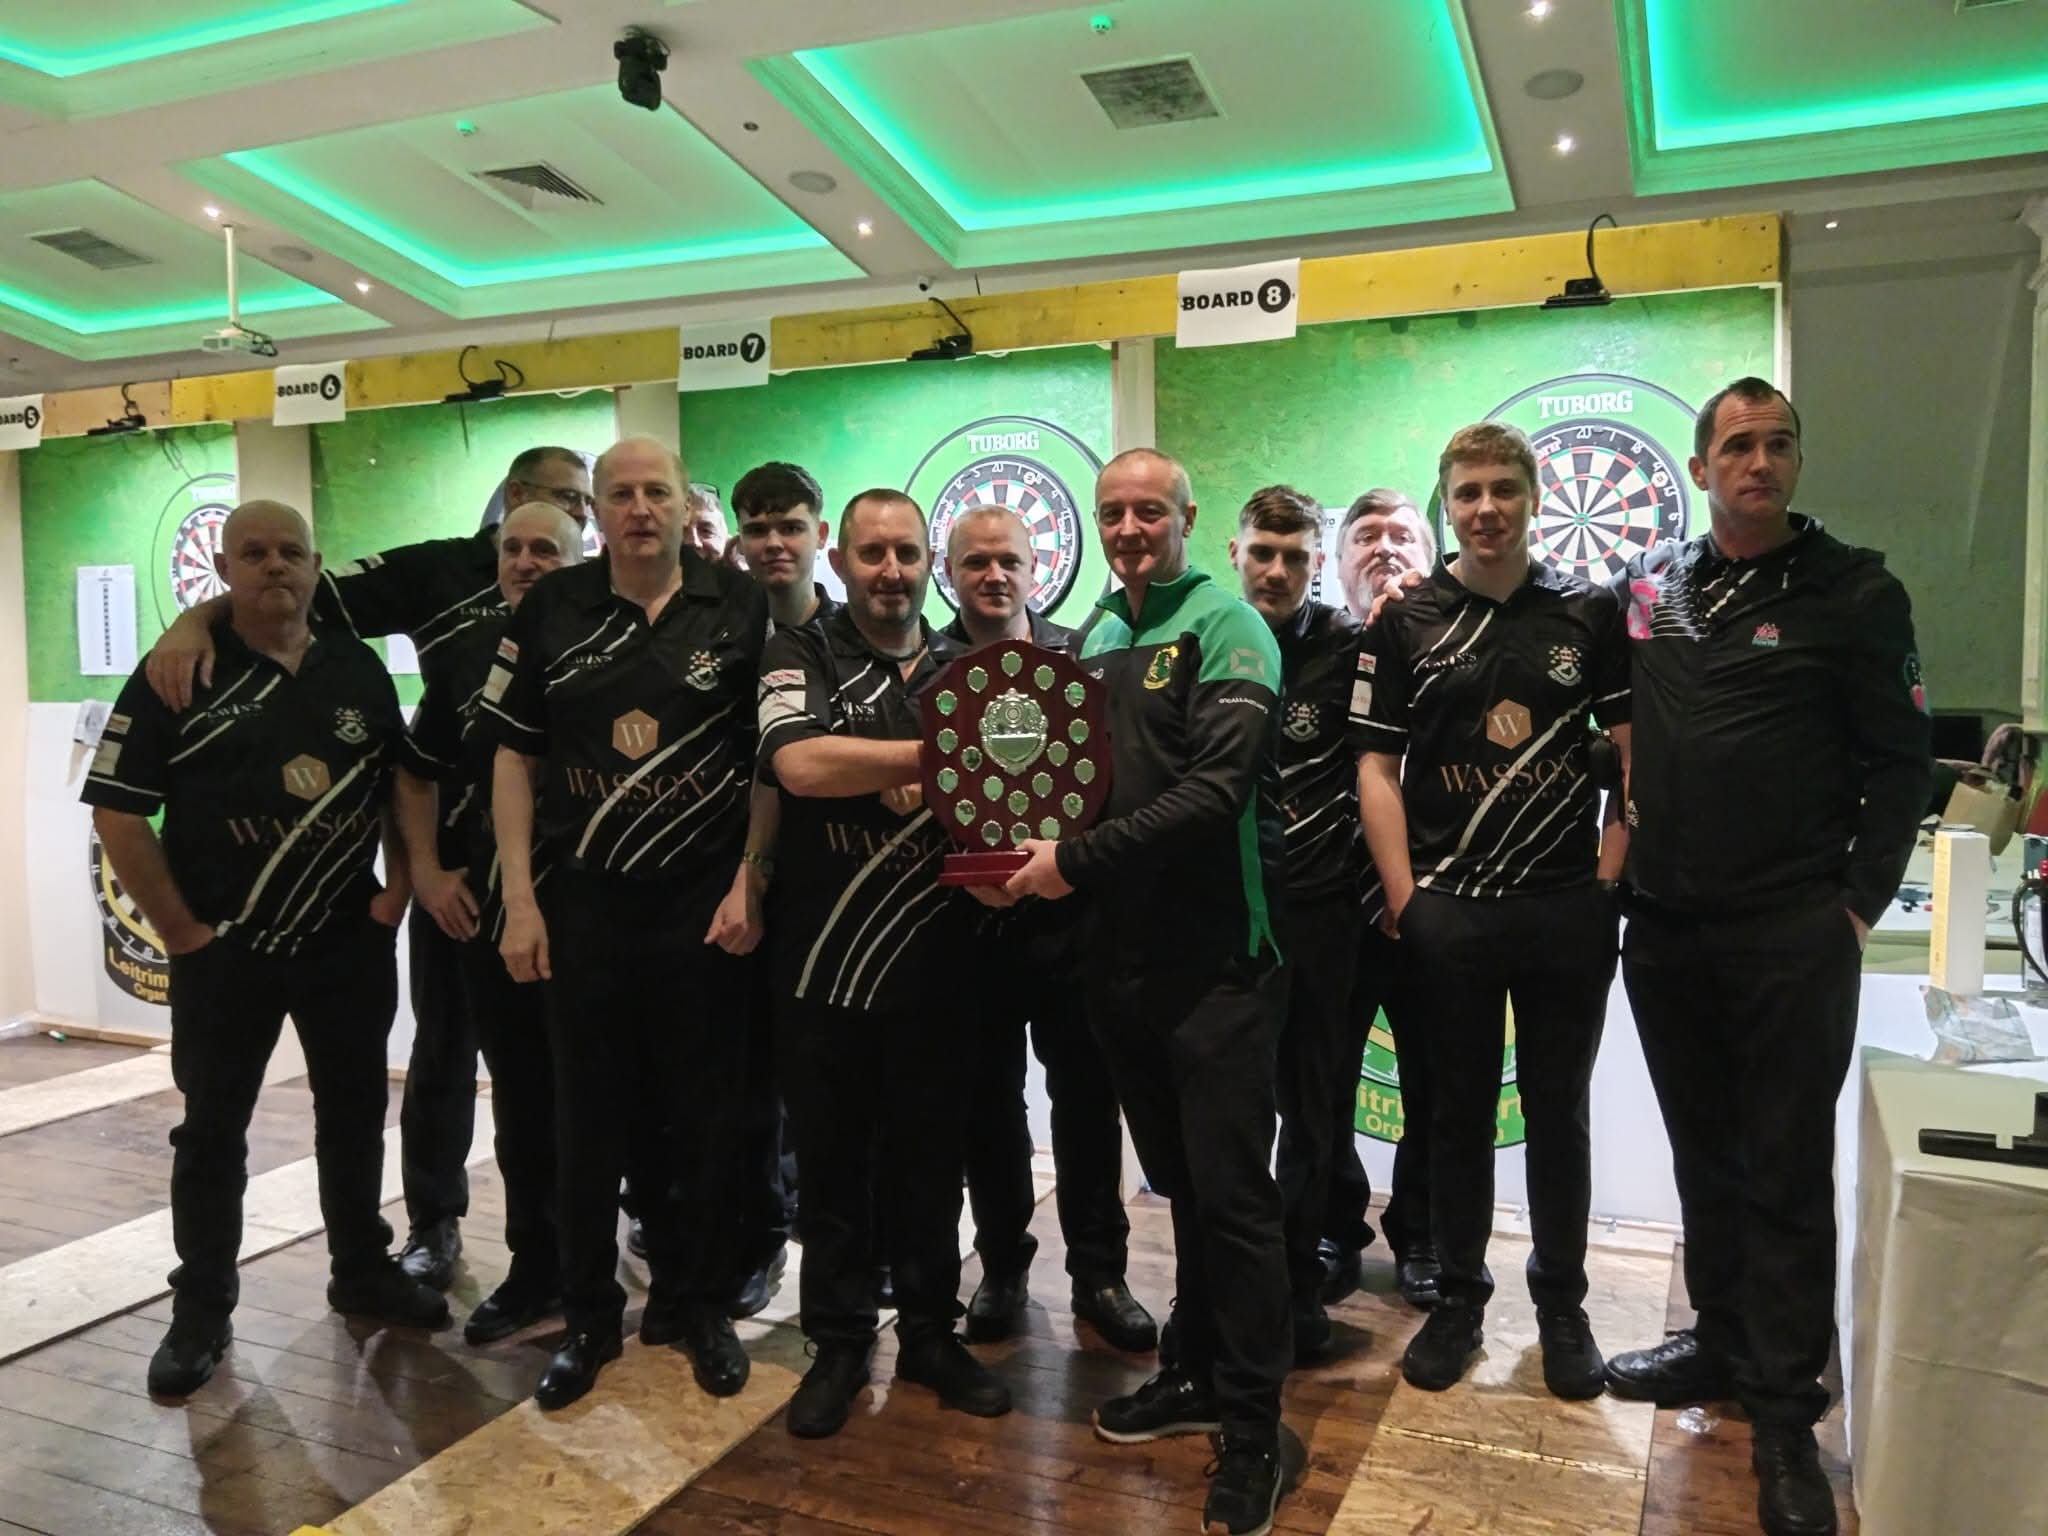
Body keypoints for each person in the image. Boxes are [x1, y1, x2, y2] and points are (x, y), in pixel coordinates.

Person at [144, 444, 596, 1293]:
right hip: (454, 877)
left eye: (579, 510)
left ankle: (574, 1244)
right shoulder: (435, 572)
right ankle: (432, 1223)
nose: (560, 528)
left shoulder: (589, 603)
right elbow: (283, 585)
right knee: (443, 1053)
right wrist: (191, 621)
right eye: (553, 503)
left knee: (565, 1066)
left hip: (564, 886)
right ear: (513, 500)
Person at [1601, 379, 1930, 1536]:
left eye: (1776, 443)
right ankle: (1719, 1341)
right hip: (1669, 929)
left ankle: (1786, 1415)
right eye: (1735, 445)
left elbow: (1900, 764)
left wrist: (1852, 905)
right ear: (1699, 469)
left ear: (1795, 463)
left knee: (1783, 1170)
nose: (1758, 461)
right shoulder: (1653, 589)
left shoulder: (1852, 591)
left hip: (1790, 929)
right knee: (1705, 1154)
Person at [84, 501, 448, 1397]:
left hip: (343, 942)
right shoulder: (178, 672)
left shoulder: (355, 667)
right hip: (225, 951)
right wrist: (181, 934)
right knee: (212, 1133)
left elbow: (400, 778)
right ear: (223, 567)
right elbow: (119, 811)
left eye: (291, 552)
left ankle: (360, 1267)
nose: (275, 566)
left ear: (316, 564)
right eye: (255, 553)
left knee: (356, 1115)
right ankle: (201, 1309)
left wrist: (397, 891)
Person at [998, 448, 1292, 1536]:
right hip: (1117, 967)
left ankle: (1254, 1431)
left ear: (1184, 515)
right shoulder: (1096, 637)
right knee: (1181, 1190)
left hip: (1219, 964)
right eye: (1112, 512)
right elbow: (1062, 785)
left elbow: (1218, 791)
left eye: (1148, 511)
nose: (1129, 528)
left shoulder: (1228, 627)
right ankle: (1196, 1369)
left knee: (1233, 1201)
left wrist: (1069, 861)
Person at [482, 437, 766, 1410]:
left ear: (687, 506)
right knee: (584, 1126)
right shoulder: (550, 609)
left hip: (702, 912)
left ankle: (698, 1307)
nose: (638, 507)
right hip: (585, 908)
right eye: (620, 494)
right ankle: (589, 1318)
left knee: (707, 1124)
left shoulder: (740, 607)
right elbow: (512, 760)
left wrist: (750, 881)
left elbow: (772, 759)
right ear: (593, 511)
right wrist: (519, 899)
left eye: (657, 492)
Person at [1357, 423, 1630, 1402]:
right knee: (1455, 1116)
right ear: (1446, 505)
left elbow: (1629, 755)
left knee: (1558, 1117)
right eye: (1467, 491)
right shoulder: (1406, 621)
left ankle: (1561, 1306)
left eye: (1502, 489)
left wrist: (1607, 879)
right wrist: (1404, 898)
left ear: (1532, 495)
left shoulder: (1585, 614)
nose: (1485, 508)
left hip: (1563, 907)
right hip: (1453, 913)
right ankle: (1459, 1303)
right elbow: (1375, 768)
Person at [758, 488, 1011, 1439]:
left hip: (941, 969)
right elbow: (800, 765)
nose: (891, 571)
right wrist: (943, 754)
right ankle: (836, 1341)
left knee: (929, 1167)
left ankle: (934, 1337)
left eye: (908, 553)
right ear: (839, 556)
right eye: (873, 553)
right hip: (823, 965)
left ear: (930, 564)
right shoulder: (801, 653)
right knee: (830, 1167)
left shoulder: (967, 665)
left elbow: (1004, 800)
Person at [941, 505, 1156, 1354]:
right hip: (973, 926)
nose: (993, 576)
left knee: (1087, 1105)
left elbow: (1116, 779)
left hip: (1075, 920)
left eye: (1008, 561)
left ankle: (1099, 1273)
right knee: (988, 1108)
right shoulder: (928, 668)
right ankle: (1001, 1267)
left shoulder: (1085, 657)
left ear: (1039, 567)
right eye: (975, 563)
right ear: (948, 573)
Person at [394, 500, 582, 1345]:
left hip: (597, 917)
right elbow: (413, 770)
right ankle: (535, 1267)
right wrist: (428, 870)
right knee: (521, 1102)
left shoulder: (612, 654)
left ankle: (608, 1274)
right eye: (512, 548)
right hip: (497, 917)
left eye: (547, 549)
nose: (526, 561)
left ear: (581, 560)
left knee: (607, 1100)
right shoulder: (468, 656)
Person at [1228, 485, 1374, 1364]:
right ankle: (1235, 1277)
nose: (1277, 569)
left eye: (1293, 555)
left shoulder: (1354, 649)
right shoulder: (1209, 642)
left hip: (1324, 915)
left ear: (1317, 562)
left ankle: (1299, 1278)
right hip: (1230, 917)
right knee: (1235, 1110)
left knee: (1316, 1104)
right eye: (1262, 553)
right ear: (1237, 554)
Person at [718, 458, 837, 1315]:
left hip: (827, 888)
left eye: (789, 526)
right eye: (758, 529)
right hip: (723, 886)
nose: (774, 544)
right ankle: (755, 1237)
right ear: (738, 540)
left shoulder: (854, 633)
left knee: (821, 1083)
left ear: (819, 535)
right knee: (742, 1077)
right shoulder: (714, 632)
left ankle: (823, 1229)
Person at [1331, 490, 1441, 1311]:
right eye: (1365, 537)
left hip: (1435, 905)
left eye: (1402, 535)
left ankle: (1425, 1235)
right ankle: (1334, 1228)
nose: (1384, 549)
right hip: (1334, 908)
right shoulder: (1308, 649)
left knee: (1435, 1082)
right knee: (1323, 1082)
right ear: (1338, 564)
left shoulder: (1456, 638)